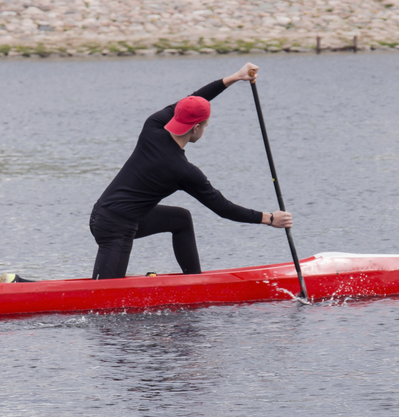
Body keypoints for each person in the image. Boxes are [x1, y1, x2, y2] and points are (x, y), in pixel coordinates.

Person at [90, 62, 293, 280]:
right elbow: (223, 208)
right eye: (205, 126)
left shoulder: (153, 126)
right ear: (195, 128)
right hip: (114, 227)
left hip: (110, 213)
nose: (204, 130)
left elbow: (194, 100)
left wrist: (234, 77)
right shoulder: (182, 171)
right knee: (102, 303)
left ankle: (193, 282)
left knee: (180, 218)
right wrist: (269, 218)